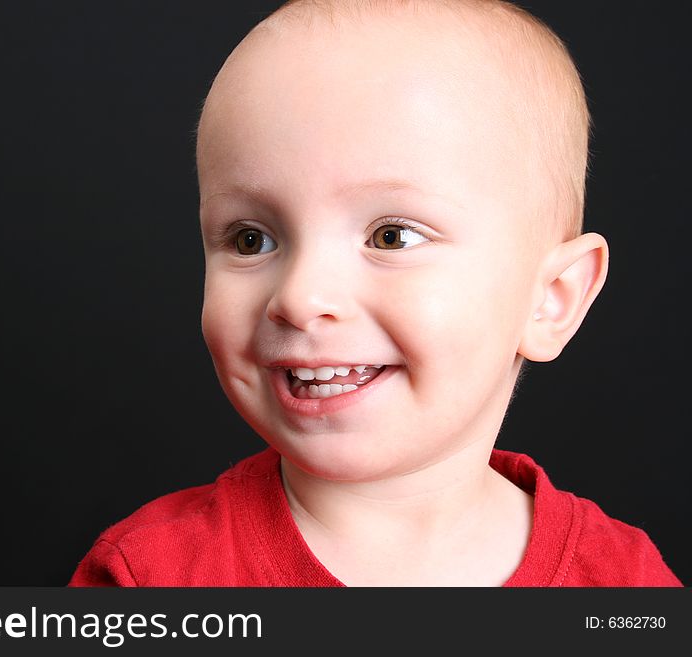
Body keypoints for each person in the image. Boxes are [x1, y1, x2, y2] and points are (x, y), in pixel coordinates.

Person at [69, 0, 681, 587]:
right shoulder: (148, 577)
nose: (301, 296)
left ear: (550, 298)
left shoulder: (625, 585)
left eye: (391, 235)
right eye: (252, 239)